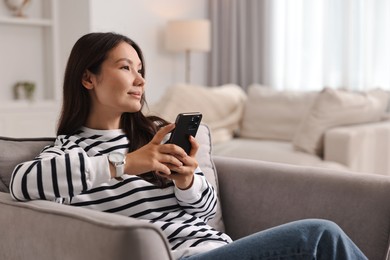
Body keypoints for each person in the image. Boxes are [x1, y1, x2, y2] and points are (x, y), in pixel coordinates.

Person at [9, 32, 367, 260]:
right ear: (88, 77)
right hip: (180, 257)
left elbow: (205, 211)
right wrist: (126, 163)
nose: (140, 79)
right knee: (319, 235)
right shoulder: (71, 151)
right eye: (125, 67)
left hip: (220, 247)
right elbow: (22, 183)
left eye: (141, 69)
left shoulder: (154, 133)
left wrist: (187, 181)